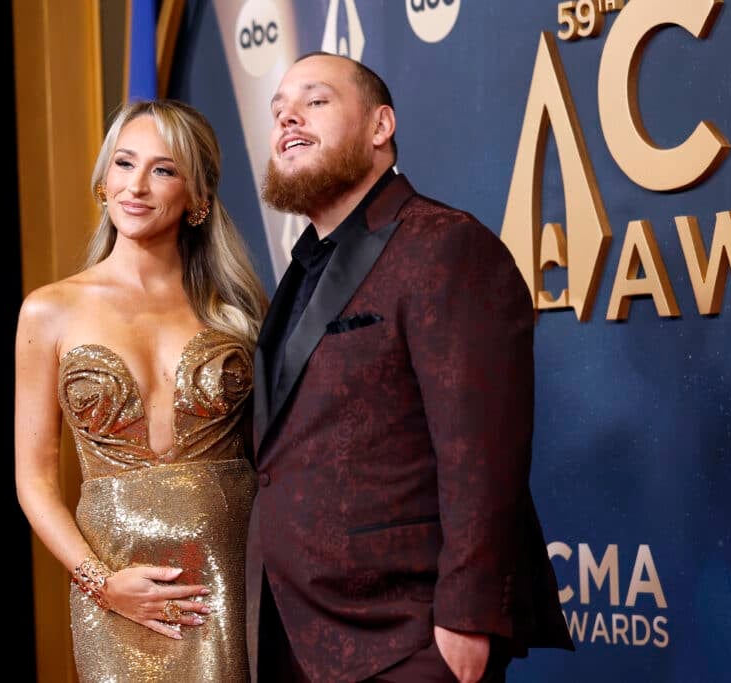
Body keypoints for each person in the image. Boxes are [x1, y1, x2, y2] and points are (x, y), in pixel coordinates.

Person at [246, 52, 574, 682]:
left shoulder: (445, 245)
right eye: (279, 108)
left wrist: (466, 621)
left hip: (408, 640)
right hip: (297, 633)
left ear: (380, 127)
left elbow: (482, 454)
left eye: (314, 102)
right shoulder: (301, 270)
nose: (288, 117)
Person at [14, 99, 267, 682]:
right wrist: (101, 583)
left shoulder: (239, 313)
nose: (137, 185)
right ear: (103, 181)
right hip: (116, 591)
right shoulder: (49, 310)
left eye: (164, 169)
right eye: (124, 164)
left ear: (197, 197)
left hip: (232, 581)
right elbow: (34, 478)